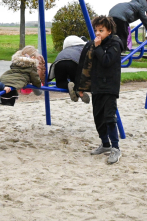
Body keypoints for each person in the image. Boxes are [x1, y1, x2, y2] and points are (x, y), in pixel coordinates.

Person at [75, 16, 124, 164]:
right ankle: (105, 144)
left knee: (109, 118)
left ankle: (115, 148)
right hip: (97, 86)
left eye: (101, 30)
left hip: (110, 87)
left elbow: (107, 61)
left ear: (109, 31)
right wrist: (81, 87)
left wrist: (98, 47)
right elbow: (86, 66)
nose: (98, 33)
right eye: (96, 30)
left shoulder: (115, 43)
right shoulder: (94, 44)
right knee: (98, 118)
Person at [48, 36, 90, 104]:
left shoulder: (64, 50)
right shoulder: (84, 48)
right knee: (77, 82)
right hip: (74, 62)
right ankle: (78, 91)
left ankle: (68, 85)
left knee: (60, 83)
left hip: (59, 62)